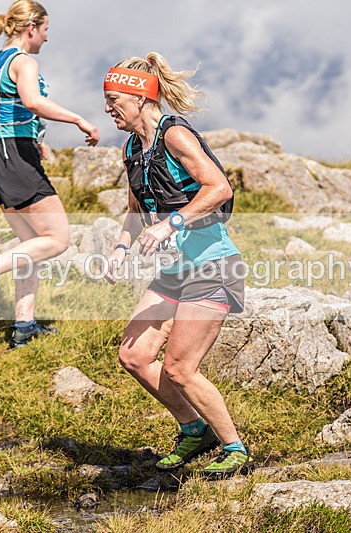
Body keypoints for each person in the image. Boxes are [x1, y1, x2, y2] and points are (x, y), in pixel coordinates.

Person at [103, 53, 251, 478]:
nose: (108, 109)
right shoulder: (133, 146)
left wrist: (172, 223)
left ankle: (236, 449)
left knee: (180, 368)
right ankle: (193, 430)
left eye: (115, 100)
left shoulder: (175, 136)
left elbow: (218, 188)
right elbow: (136, 206)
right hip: (172, 272)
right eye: (106, 101)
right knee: (133, 355)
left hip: (212, 266)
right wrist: (120, 248)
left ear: (141, 97)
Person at [0, 0, 100, 348]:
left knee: (31, 246)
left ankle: (23, 327)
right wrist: (79, 120)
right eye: (45, 31)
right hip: (14, 158)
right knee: (58, 239)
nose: (46, 38)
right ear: (32, 29)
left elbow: (13, 108)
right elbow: (32, 101)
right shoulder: (24, 61)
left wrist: (36, 139)